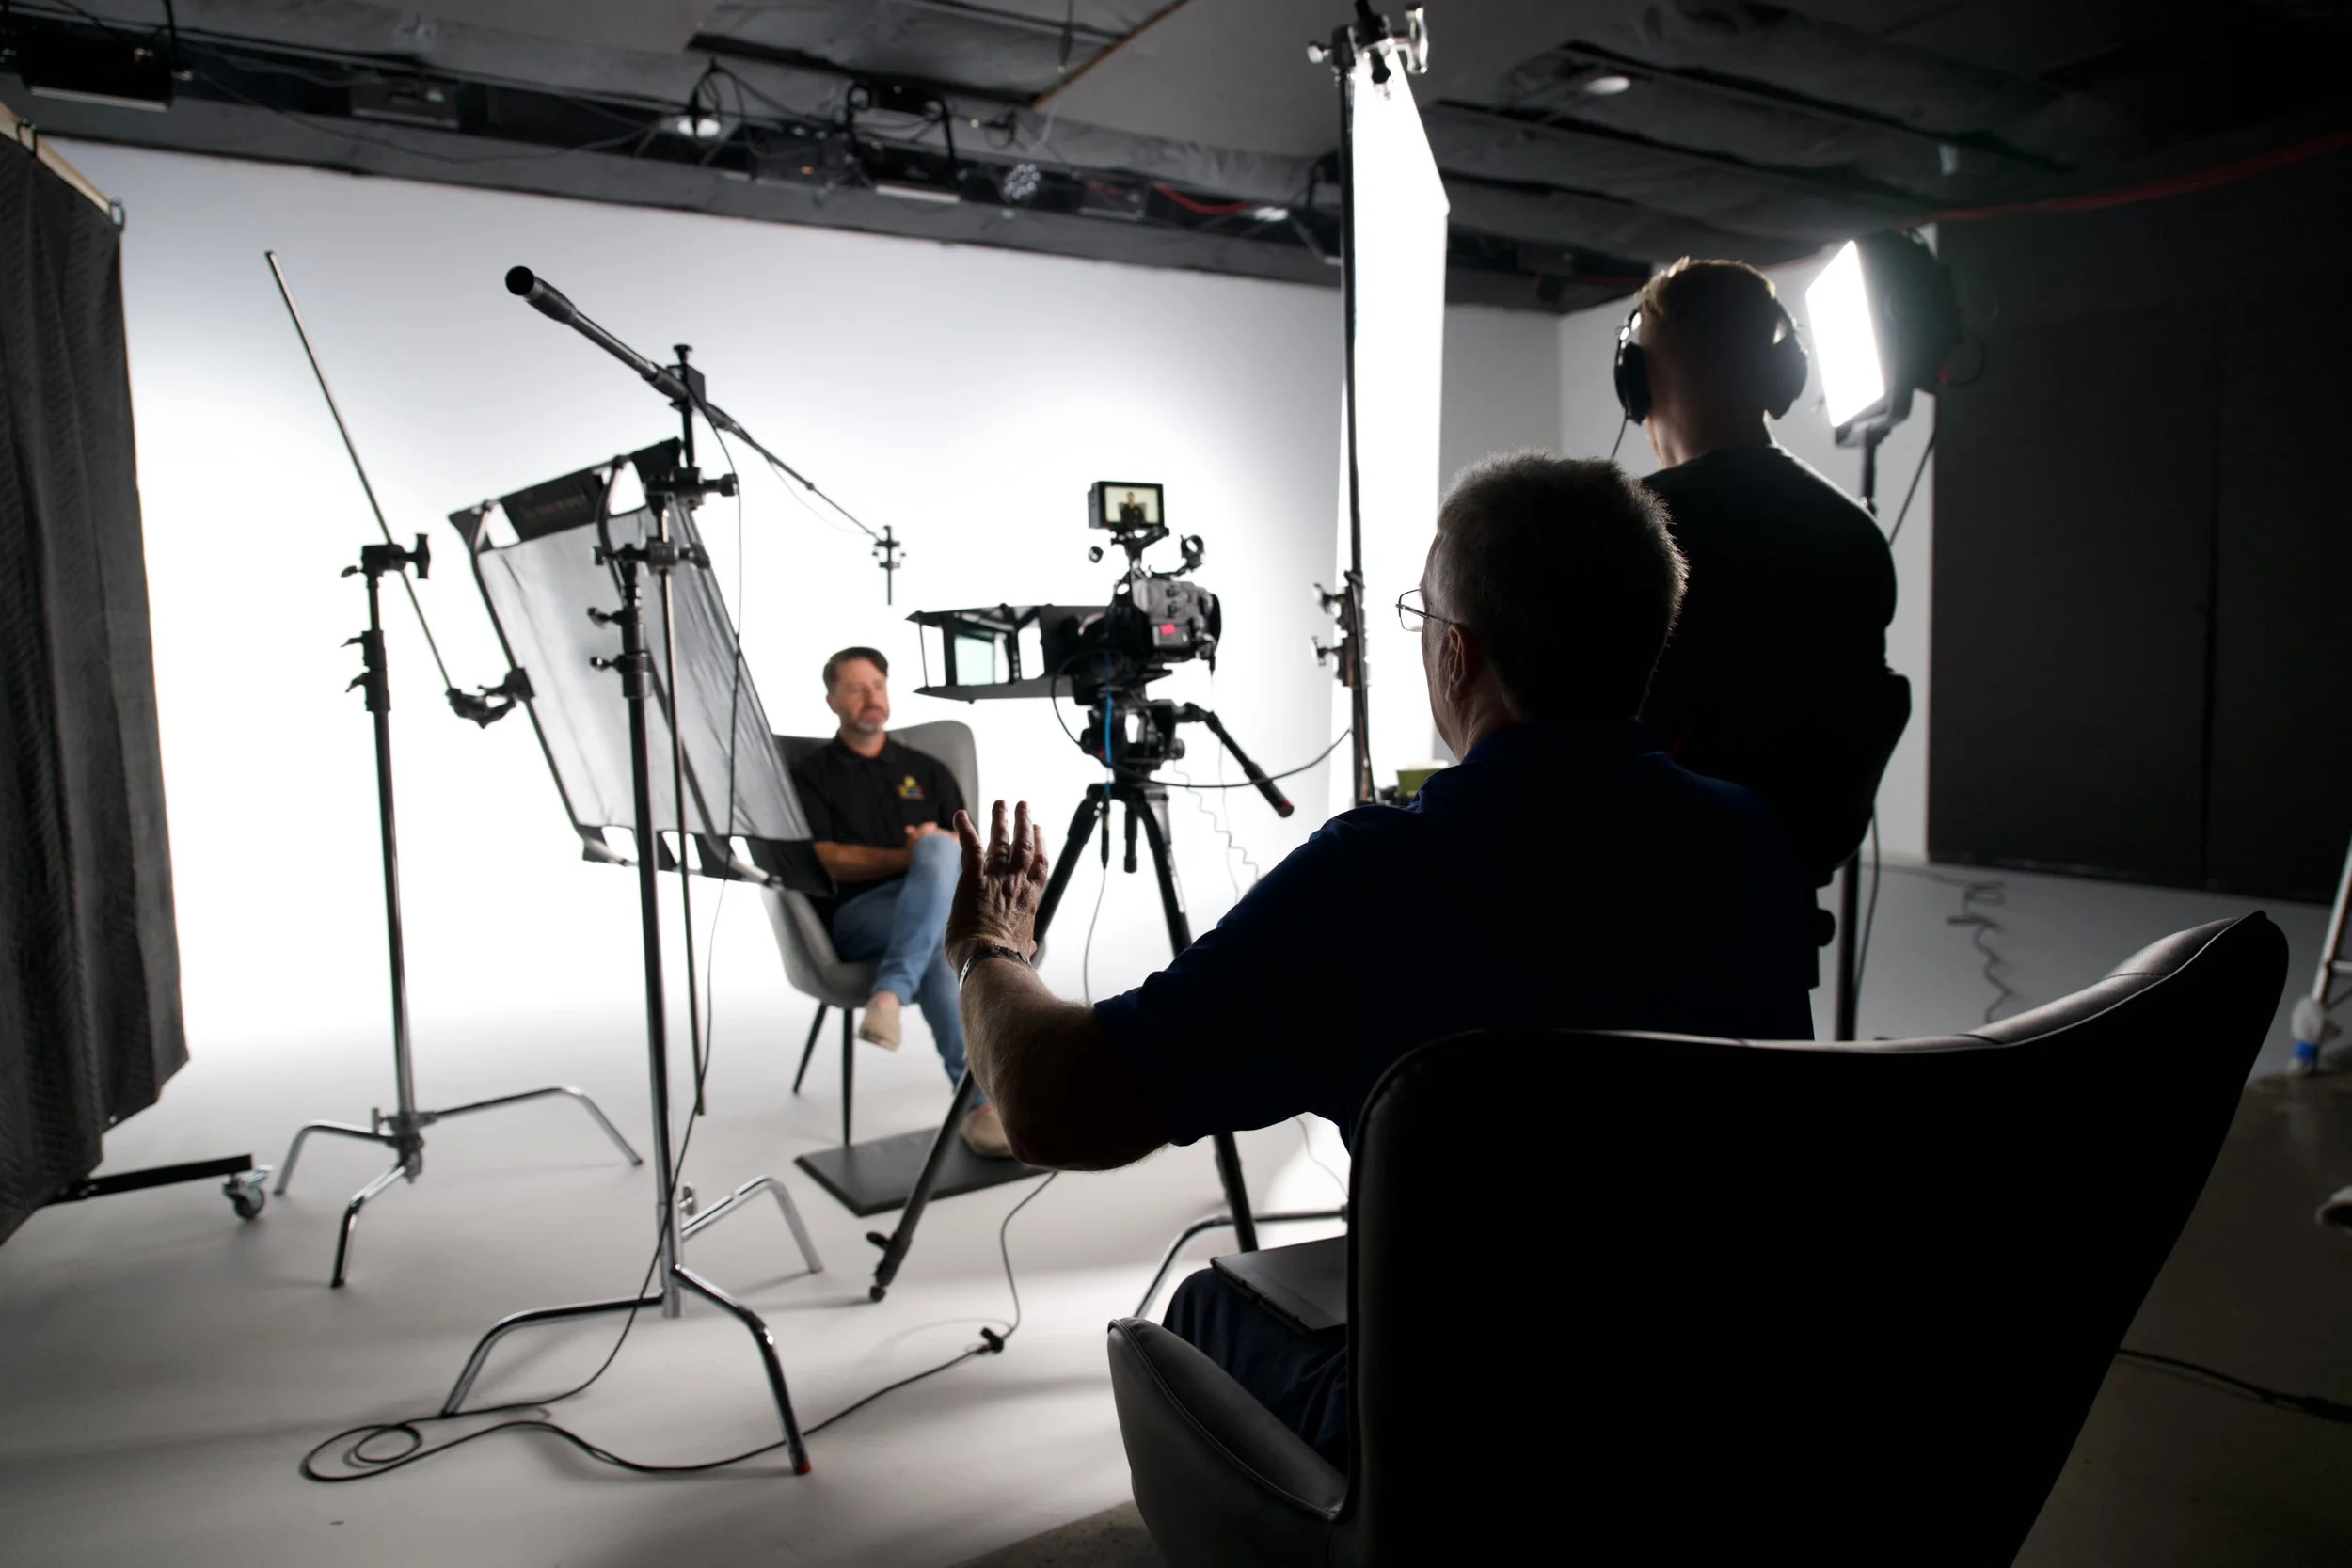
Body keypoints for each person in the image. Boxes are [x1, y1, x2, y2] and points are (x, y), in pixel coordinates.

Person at [940, 454, 1815, 1468]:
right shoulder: (1747, 842)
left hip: (1465, 1427)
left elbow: (1055, 1102)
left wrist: (986, 945)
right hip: (1714, 1389)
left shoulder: (1381, 879)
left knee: (1200, 1308)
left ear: (1455, 654)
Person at [1628, 258, 1900, 887]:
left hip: (1651, 891)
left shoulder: (1633, 525)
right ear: (1781, 375)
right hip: (1784, 885)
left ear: (1638, 380)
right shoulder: (1854, 533)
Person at [789, 646, 1009, 1158]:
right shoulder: (813, 776)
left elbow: (968, 854)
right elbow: (827, 862)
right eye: (856, 688)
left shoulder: (926, 771)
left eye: (878, 685)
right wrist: (906, 856)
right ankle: (984, 1104)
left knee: (939, 858)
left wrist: (930, 854)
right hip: (855, 915)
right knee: (933, 868)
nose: (871, 697)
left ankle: (889, 996)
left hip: (932, 910)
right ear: (832, 700)